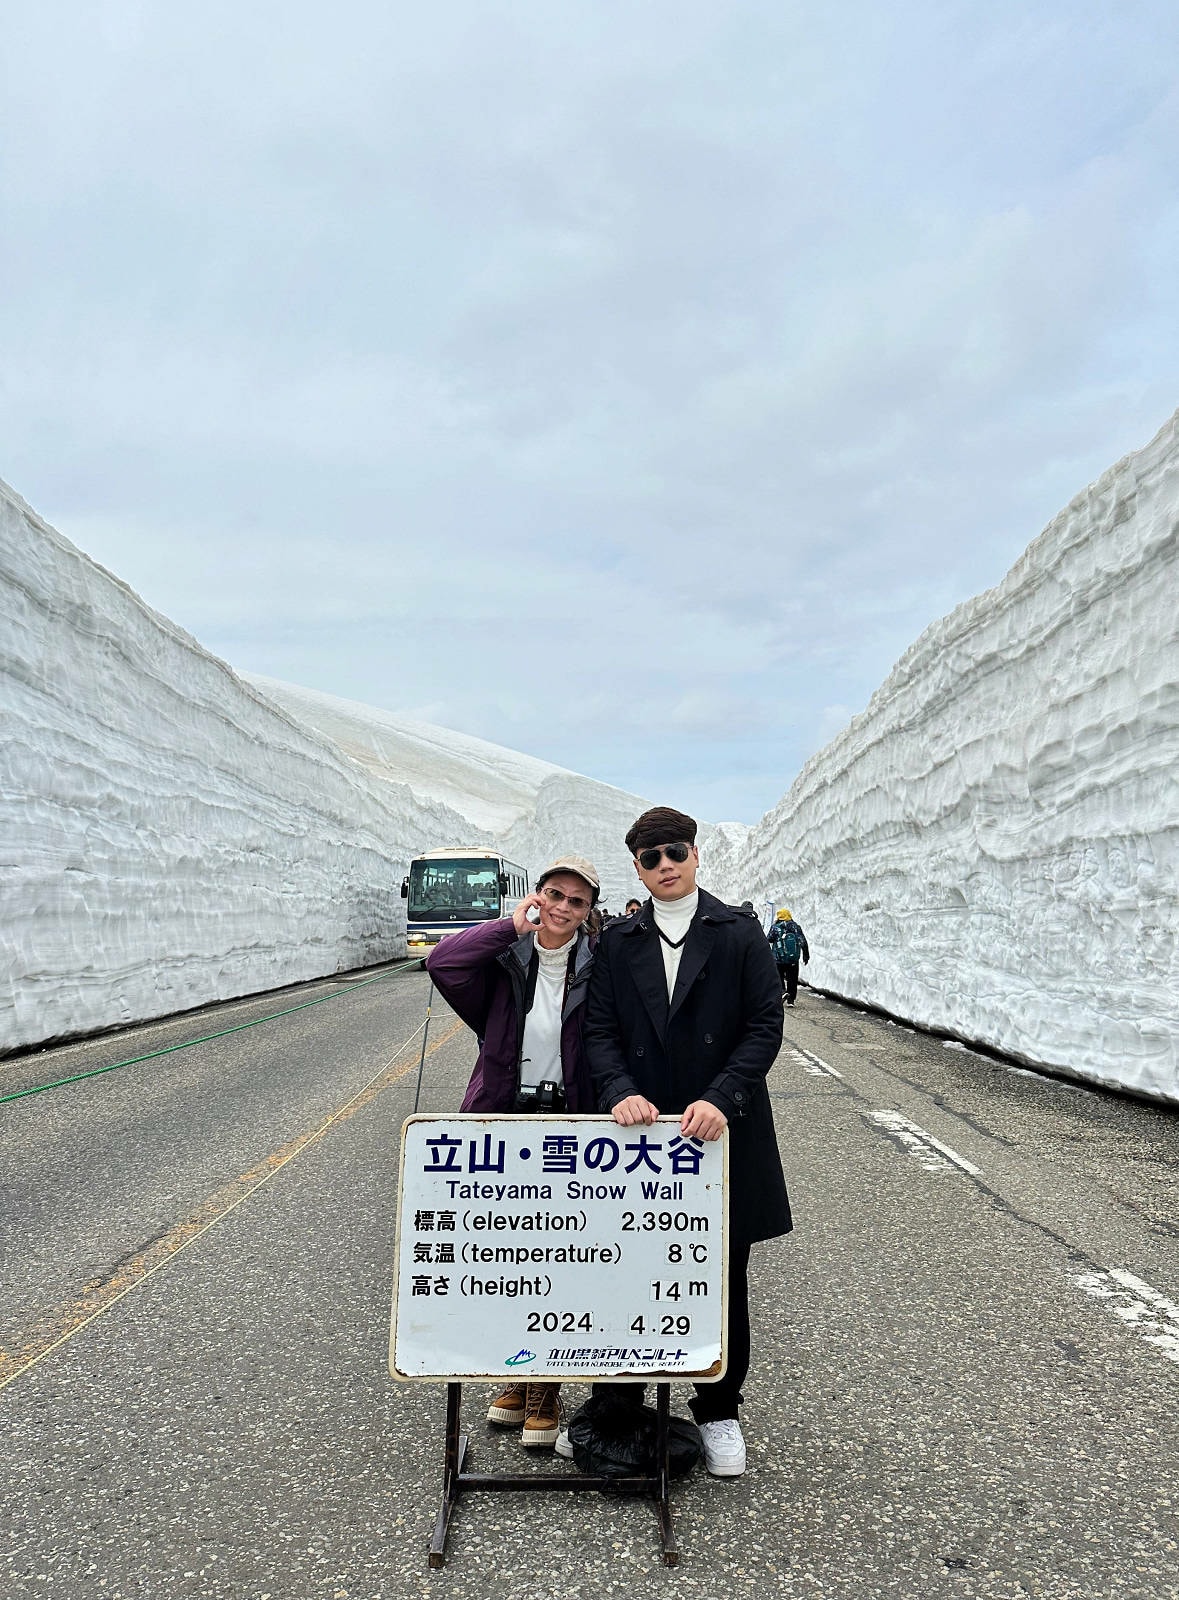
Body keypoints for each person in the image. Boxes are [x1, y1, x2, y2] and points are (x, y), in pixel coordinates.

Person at [582, 806, 791, 1477]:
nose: (665, 865)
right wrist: (617, 1089)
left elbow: (763, 1023)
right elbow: (599, 1031)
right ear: (636, 869)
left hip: (718, 1134)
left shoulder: (736, 934)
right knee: (624, 1270)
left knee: (722, 1278)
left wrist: (721, 1097)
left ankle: (719, 1410)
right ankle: (616, 1410)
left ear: (695, 855)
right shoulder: (620, 941)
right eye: (650, 857)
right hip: (639, 1140)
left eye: (674, 852)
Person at [425, 854, 601, 1449]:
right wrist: (508, 926)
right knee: (507, 1256)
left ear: (588, 913)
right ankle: (515, 1371)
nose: (561, 908)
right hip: (503, 1116)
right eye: (553, 894)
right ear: (536, 897)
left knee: (560, 1251)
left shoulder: (598, 969)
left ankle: (545, 1386)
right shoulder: (503, 961)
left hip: (571, 1122)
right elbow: (442, 963)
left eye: (576, 902)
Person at [768, 908, 810, 1007]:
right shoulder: (796, 927)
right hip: (793, 959)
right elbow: (802, 941)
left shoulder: (775, 927)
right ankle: (791, 1000)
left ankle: (782, 991)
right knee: (792, 979)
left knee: (778, 977)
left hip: (778, 959)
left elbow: (769, 939)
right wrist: (806, 955)